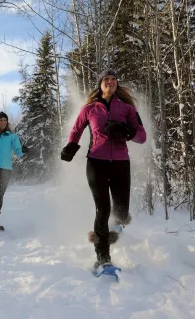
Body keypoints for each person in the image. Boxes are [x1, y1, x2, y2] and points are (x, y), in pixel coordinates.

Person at [61, 69, 146, 269]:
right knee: (103, 209)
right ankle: (103, 258)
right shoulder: (89, 109)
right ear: (100, 85)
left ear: (117, 84)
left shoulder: (127, 109)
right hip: (96, 163)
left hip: (120, 164)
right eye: (106, 79)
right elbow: (76, 129)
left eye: (114, 79)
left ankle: (116, 226)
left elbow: (142, 137)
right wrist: (71, 147)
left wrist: (126, 131)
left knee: (122, 211)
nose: (110, 82)